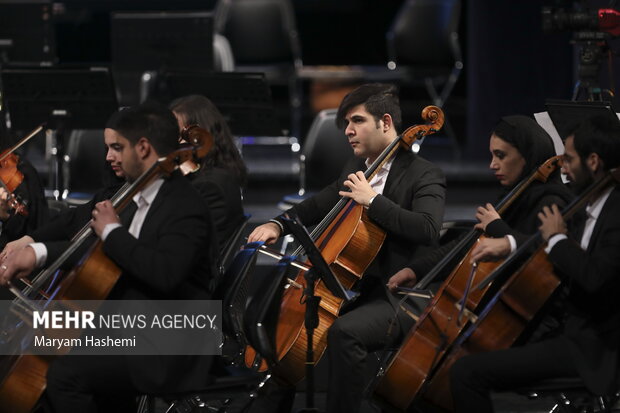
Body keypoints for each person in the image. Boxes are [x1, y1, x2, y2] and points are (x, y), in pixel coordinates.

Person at [0, 102, 219, 413]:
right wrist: (35, 253)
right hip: (131, 326)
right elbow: (105, 255)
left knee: (64, 375)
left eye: (117, 147)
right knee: (33, 357)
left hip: (170, 342)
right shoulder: (136, 197)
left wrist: (112, 232)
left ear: (143, 148)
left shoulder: (184, 205)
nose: (108, 157)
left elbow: (165, 274)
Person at [248, 83, 447, 413]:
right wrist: (277, 224)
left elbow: (426, 228)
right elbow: (316, 205)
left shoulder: (424, 174)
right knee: (282, 320)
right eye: (345, 125)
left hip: (401, 296)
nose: (348, 132)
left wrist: (373, 201)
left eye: (356, 121)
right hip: (355, 291)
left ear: (385, 122)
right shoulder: (356, 170)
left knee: (345, 332)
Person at [449, 114, 620, 413]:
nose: (562, 167)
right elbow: (542, 250)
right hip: (570, 333)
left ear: (593, 162)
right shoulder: (591, 202)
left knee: (466, 373)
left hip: (592, 350)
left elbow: (594, 277)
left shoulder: (615, 213)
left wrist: (556, 239)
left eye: (568, 159)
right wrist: (518, 242)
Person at [387, 115, 573, 296]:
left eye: (501, 156)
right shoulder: (515, 195)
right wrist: (416, 270)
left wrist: (497, 228)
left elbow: (544, 257)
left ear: (527, 155)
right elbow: (467, 243)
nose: (492, 165)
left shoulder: (551, 202)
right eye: (492, 155)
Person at [169, 94, 247, 253]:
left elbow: (186, 247)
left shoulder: (208, 185)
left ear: (199, 136)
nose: (169, 144)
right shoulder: (215, 173)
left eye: (177, 135)